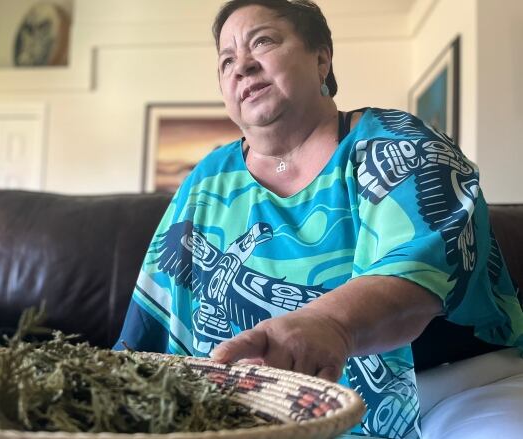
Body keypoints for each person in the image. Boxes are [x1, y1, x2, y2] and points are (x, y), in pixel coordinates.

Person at [113, 0, 523, 438]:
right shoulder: (207, 182)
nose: (242, 67)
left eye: (263, 42)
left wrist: (329, 325)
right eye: (226, 60)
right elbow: (148, 331)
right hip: (278, 417)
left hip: (451, 388)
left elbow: (418, 268)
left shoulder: (397, 144)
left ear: (322, 58)